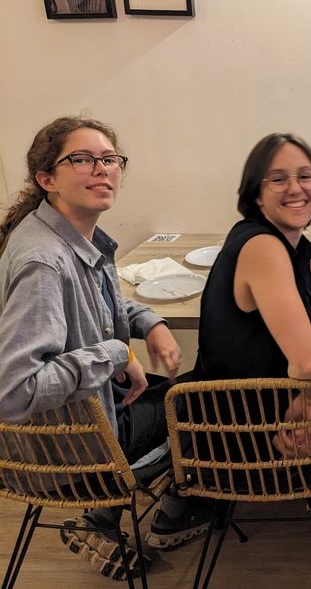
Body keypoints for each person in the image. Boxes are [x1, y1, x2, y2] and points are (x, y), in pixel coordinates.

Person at [0, 117, 182, 580]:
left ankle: (102, 519)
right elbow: (14, 391)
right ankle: (130, 511)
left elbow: (102, 302)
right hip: (68, 448)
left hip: (82, 417)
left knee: (180, 391)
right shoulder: (44, 260)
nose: (101, 169)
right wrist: (117, 354)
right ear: (47, 179)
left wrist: (149, 321)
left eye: (109, 159)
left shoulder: (69, 236)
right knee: (198, 400)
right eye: (81, 159)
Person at [146, 132, 311, 548]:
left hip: (219, 407)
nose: (295, 188)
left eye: (305, 175)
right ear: (256, 193)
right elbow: (308, 365)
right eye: (278, 179)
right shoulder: (264, 247)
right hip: (240, 426)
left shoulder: (261, 238)